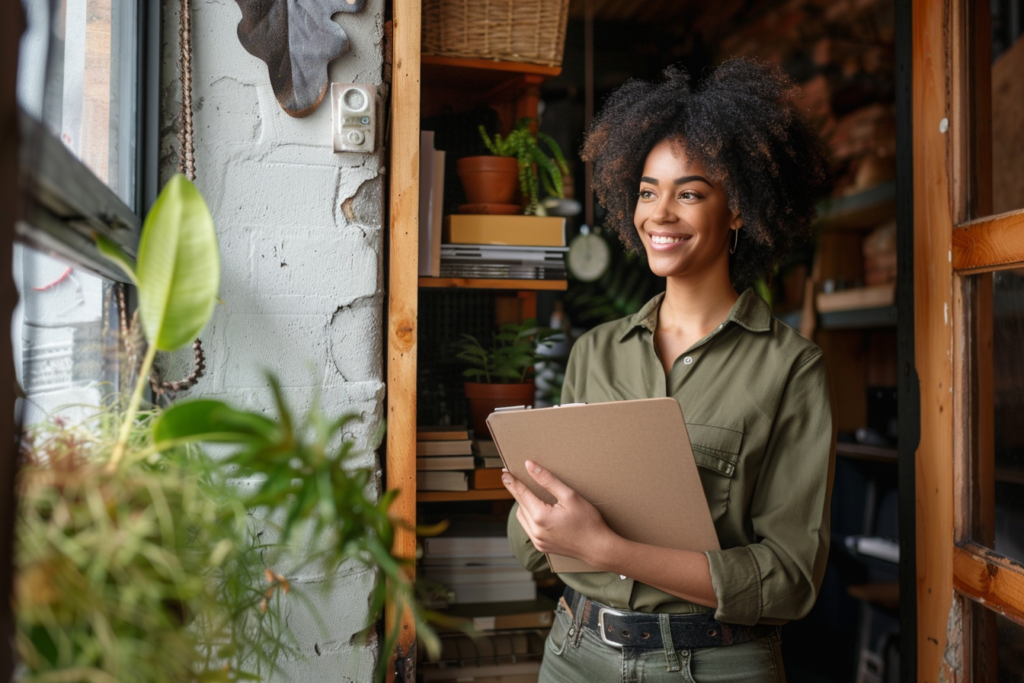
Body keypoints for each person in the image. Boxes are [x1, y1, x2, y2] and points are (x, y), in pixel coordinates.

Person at [501, 58, 836, 683]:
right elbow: (537, 547)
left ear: (737, 209)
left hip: (715, 663)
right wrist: (534, 508)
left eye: (689, 192)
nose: (660, 213)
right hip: (576, 652)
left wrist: (607, 549)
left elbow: (789, 580)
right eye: (648, 191)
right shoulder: (595, 353)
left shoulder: (790, 368)